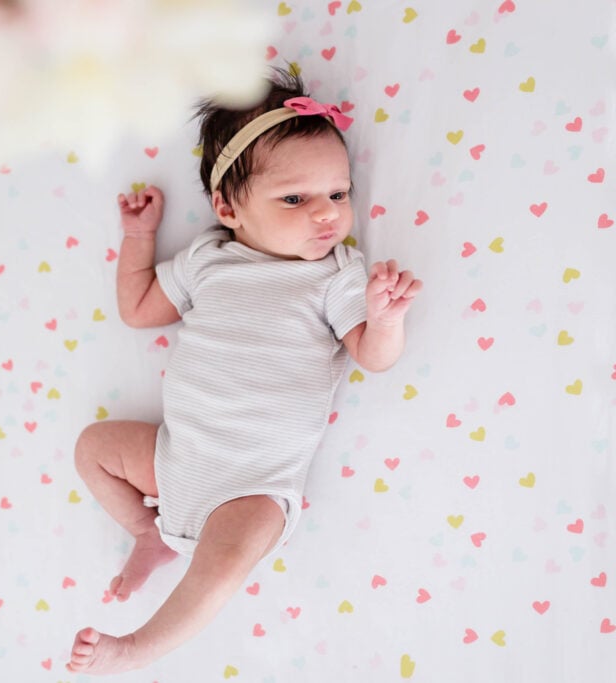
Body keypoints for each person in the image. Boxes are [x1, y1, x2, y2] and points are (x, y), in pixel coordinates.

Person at [67, 69, 422, 675]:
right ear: (229, 208)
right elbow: (138, 309)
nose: (325, 215)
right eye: (295, 198)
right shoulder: (208, 258)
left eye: (338, 195)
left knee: (224, 562)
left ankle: (140, 645)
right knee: (94, 447)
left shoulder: (335, 274)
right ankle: (148, 534)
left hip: (254, 483)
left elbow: (372, 354)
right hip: (174, 458)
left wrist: (384, 317)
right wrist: (138, 236)